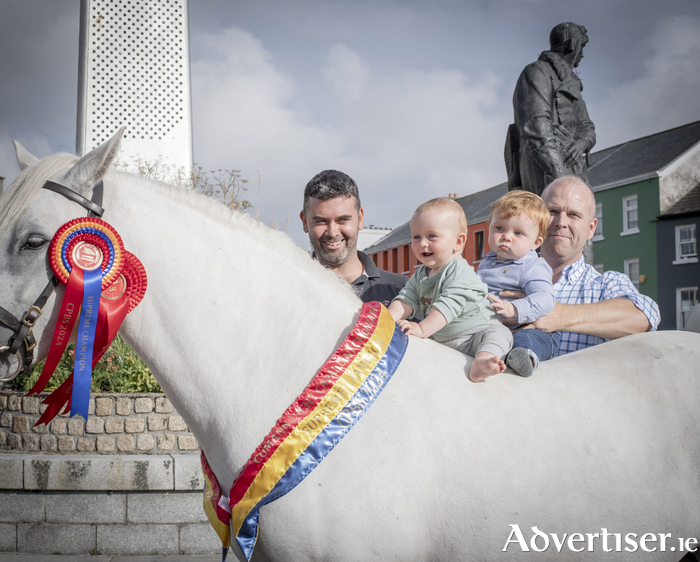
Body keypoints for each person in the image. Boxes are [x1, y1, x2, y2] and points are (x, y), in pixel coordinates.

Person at [500, 176, 660, 354]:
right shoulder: (500, 274)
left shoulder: (605, 286)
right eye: (553, 211)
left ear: (591, 228)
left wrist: (559, 315)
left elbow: (644, 316)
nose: (561, 222)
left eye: (573, 215)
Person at [387, 198, 512, 382]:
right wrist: (385, 319)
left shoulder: (460, 272)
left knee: (501, 334)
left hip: (475, 334)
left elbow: (448, 305)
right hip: (443, 338)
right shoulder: (420, 274)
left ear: (458, 241)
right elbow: (406, 299)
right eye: (416, 237)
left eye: (431, 236)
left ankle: (483, 361)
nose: (422, 243)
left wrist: (421, 329)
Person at [506, 22, 596, 196]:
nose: (582, 54)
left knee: (579, 216)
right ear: (572, 45)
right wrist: (558, 174)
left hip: (574, 167)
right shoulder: (536, 72)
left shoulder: (572, 83)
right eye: (581, 46)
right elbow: (537, 128)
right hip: (542, 166)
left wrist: (580, 144)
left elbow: (587, 127)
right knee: (545, 218)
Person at [476, 191, 559, 377]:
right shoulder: (486, 264)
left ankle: (524, 357)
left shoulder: (532, 266)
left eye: (518, 233)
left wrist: (514, 309)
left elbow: (545, 298)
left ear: (536, 242)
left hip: (530, 329)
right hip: (495, 329)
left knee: (528, 338)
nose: (506, 236)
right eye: (499, 228)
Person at [300, 169, 407, 306]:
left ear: (360, 218)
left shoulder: (402, 291)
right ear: (304, 222)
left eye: (343, 220)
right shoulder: (287, 289)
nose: (332, 233)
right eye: (321, 221)